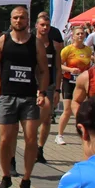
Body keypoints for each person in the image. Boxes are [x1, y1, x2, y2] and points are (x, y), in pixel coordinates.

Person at [0, 6, 49, 188]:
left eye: (22, 18)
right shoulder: (1, 42)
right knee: (5, 140)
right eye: (15, 18)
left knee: (30, 139)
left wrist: (42, 91)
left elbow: (44, 70)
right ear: (10, 20)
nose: (18, 21)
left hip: (29, 97)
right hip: (7, 96)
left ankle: (26, 180)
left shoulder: (36, 43)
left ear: (28, 20)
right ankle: (6, 177)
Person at [56, 26, 91, 145]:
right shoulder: (67, 50)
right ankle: (59, 135)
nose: (80, 36)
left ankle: (85, 134)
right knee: (67, 110)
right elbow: (59, 65)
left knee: (82, 110)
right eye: (78, 34)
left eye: (82, 34)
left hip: (81, 83)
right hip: (68, 81)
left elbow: (89, 66)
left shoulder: (88, 50)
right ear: (73, 36)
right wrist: (70, 70)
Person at [35, 13, 61, 164]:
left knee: (46, 119)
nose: (45, 28)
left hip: (49, 86)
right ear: (37, 26)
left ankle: (40, 148)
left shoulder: (55, 45)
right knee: (31, 118)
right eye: (42, 25)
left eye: (47, 25)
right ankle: (30, 145)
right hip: (32, 85)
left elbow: (58, 69)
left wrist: (58, 89)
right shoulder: (30, 43)